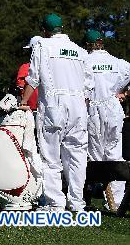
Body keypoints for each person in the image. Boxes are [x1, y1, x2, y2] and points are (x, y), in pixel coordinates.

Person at [19, 13, 93, 212]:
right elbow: (88, 85)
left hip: (54, 104)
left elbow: (33, 79)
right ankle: (77, 203)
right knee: (77, 156)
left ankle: (55, 204)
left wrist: (23, 102)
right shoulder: (80, 51)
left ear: (44, 30)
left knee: (51, 158)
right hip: (78, 107)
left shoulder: (42, 46)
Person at [84, 28, 130, 211]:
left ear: (88, 45)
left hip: (94, 108)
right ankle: (115, 200)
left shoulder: (85, 61)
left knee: (96, 154)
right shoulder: (118, 63)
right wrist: (122, 92)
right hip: (113, 108)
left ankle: (95, 196)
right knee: (114, 152)